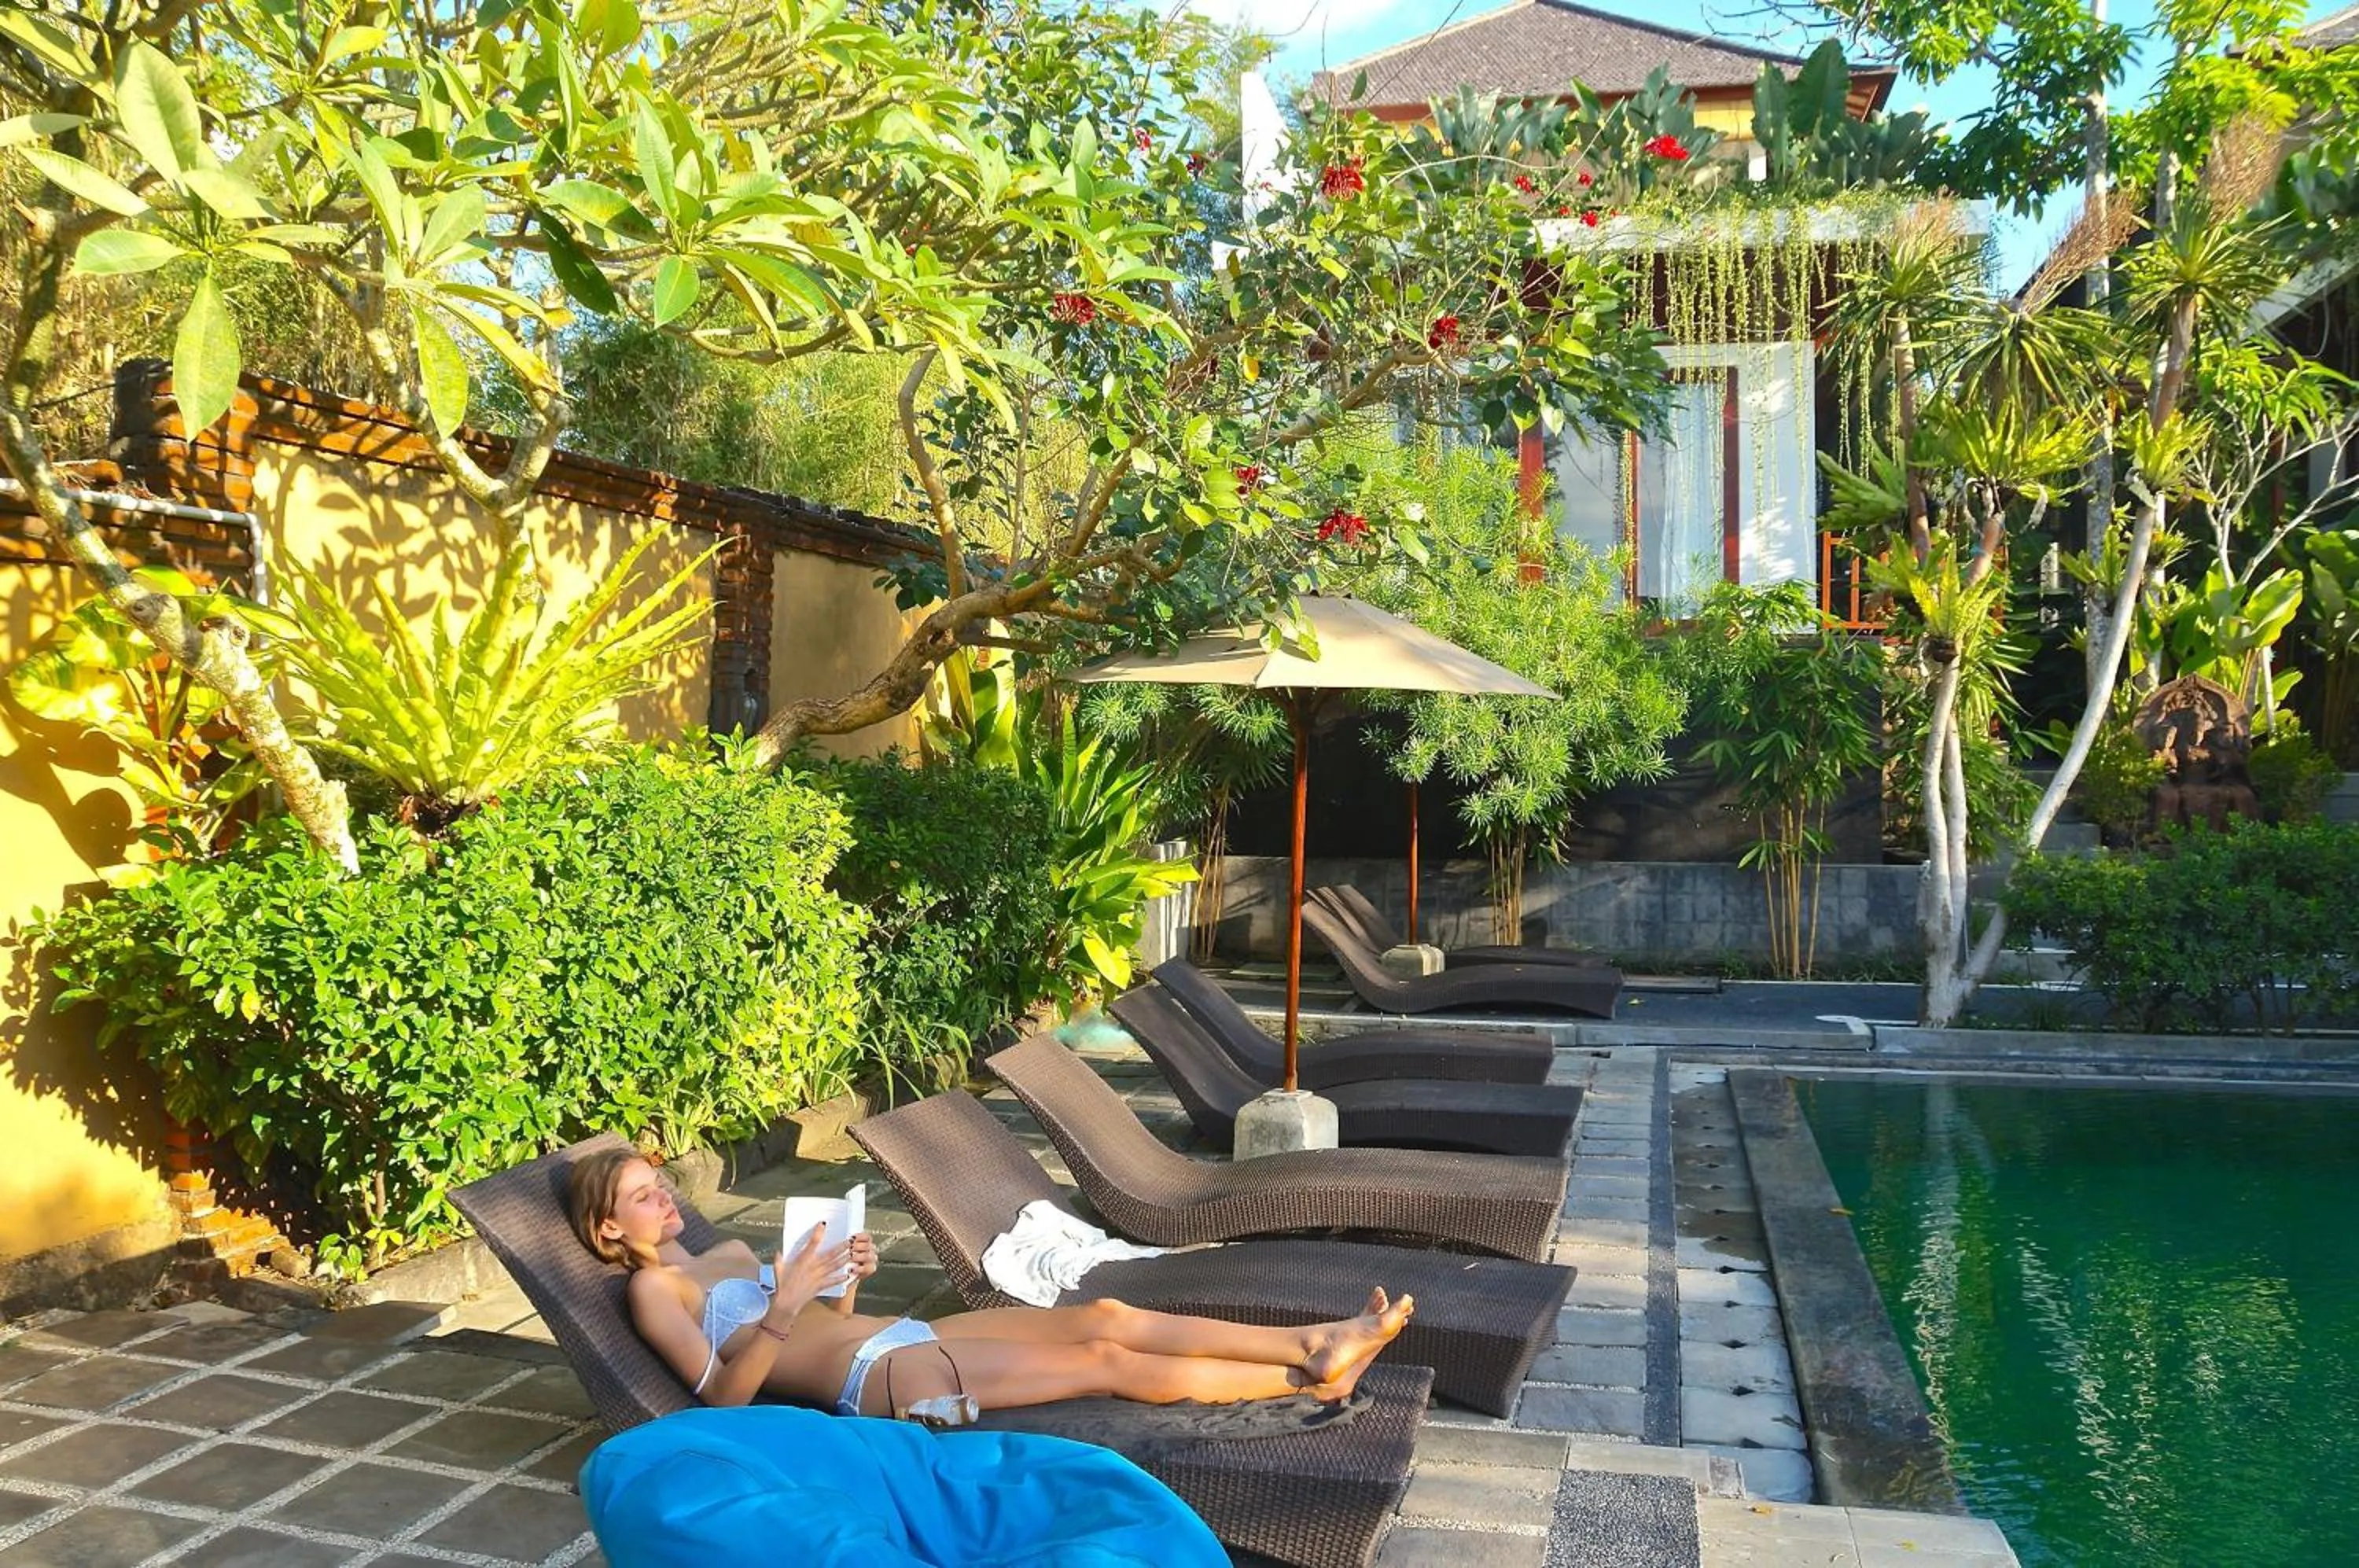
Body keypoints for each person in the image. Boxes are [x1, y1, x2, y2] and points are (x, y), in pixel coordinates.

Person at [568, 1147, 1413, 1423]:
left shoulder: (714, 1257)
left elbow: (818, 1323)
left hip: (903, 1336)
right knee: (1108, 1359)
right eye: (643, 1195)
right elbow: (723, 1394)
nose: (666, 1197)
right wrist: (786, 1305)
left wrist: (843, 1281)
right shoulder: (653, 1292)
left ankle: (1312, 1340)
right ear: (610, 1230)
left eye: (660, 1182)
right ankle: (1298, 1376)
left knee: (1105, 1312)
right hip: (888, 1382)